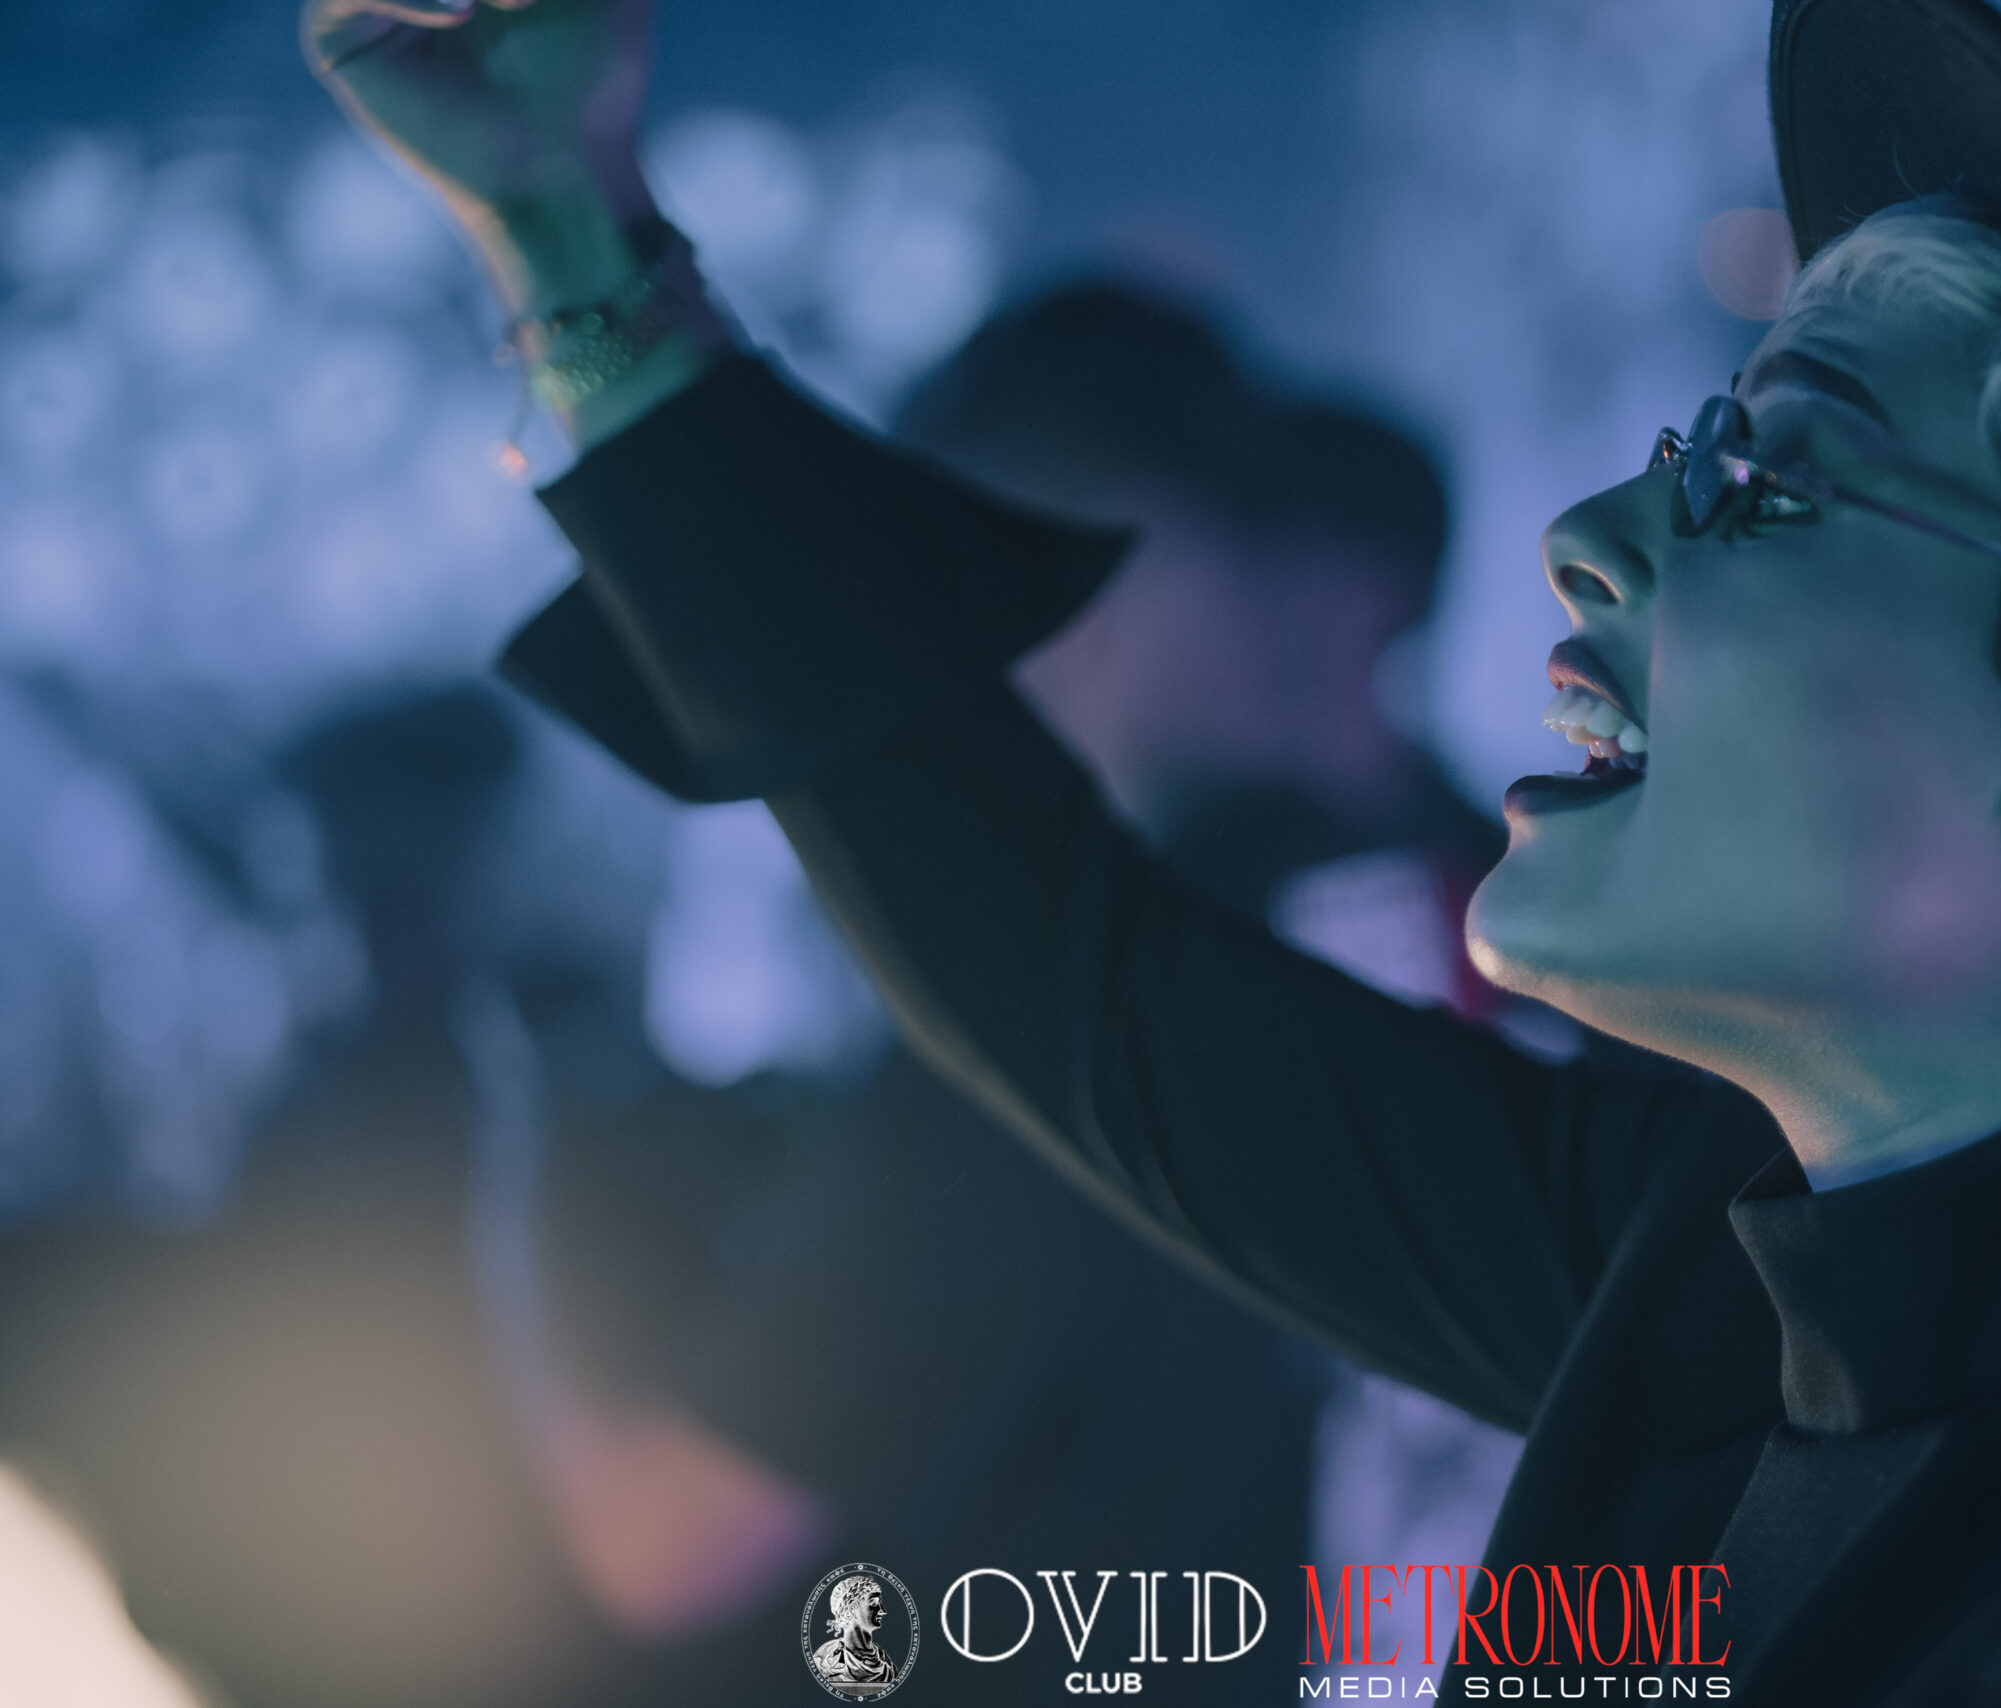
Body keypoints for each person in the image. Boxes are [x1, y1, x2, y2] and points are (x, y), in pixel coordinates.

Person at [305, 0, 2001, 1701]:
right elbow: (1076, 985)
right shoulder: (1737, 1267)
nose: (1588, 532)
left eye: (1768, 480)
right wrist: (573, 239)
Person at [522, 282, 1511, 1704]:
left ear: (1046, 592)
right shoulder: (1573, 936)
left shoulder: (1079, 991)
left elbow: (665, 1537)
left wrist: (525, 1216)